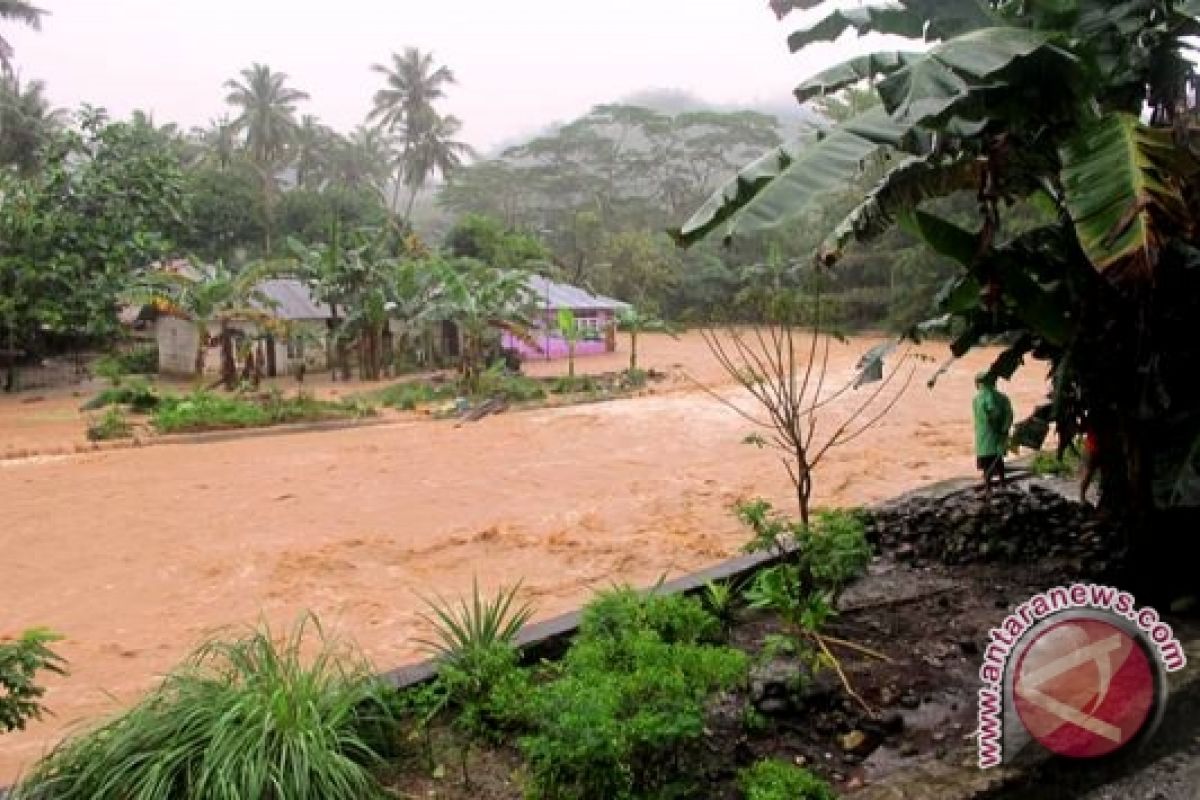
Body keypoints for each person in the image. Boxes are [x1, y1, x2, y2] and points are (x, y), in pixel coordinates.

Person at [973, 371, 1014, 497]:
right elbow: (1010, 414)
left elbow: (991, 412)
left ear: (979, 383)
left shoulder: (979, 398)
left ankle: (988, 488)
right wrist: (1004, 428)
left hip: (985, 435)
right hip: (1000, 434)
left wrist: (993, 424)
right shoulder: (1003, 397)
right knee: (998, 460)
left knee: (986, 462)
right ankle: (1002, 484)